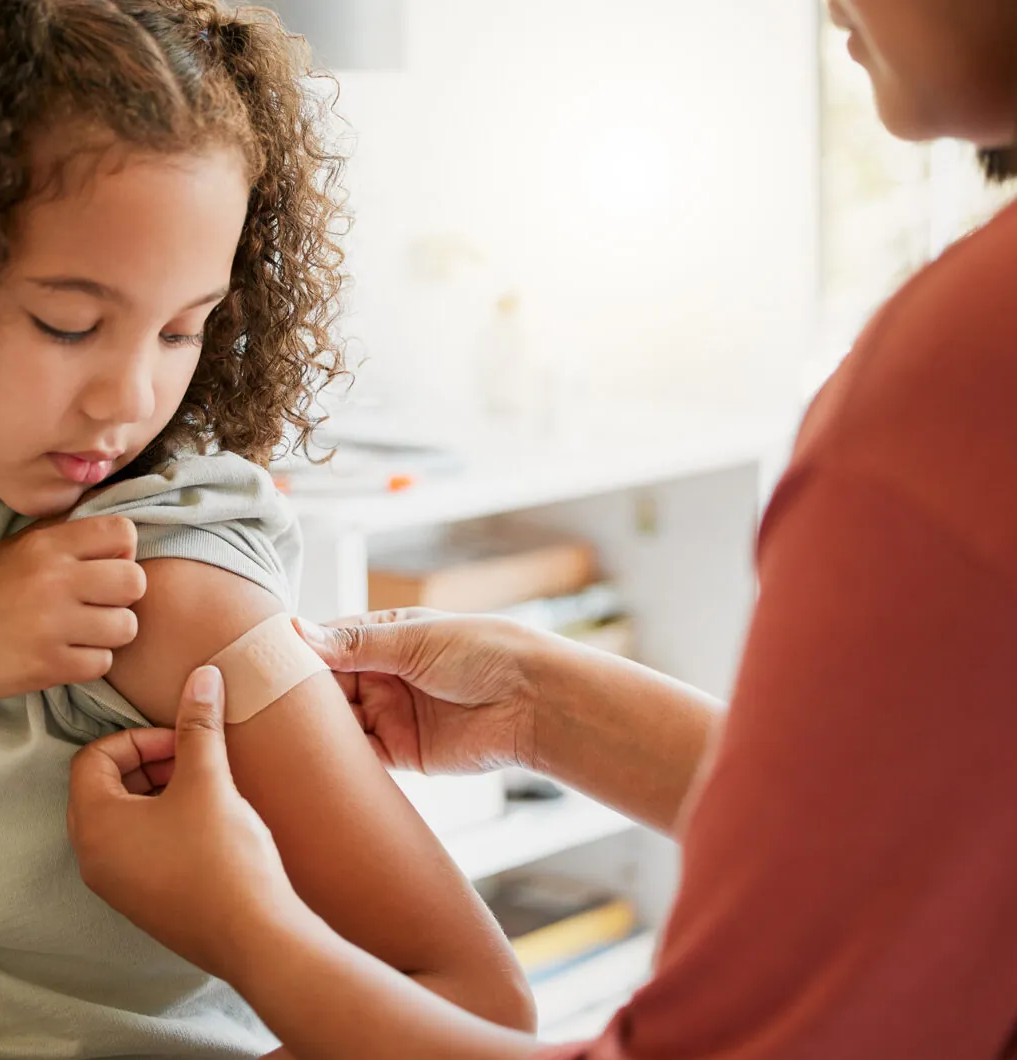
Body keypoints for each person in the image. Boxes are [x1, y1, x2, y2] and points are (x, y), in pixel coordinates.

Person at [67, 0, 1017, 1056]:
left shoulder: (964, 381)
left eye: (184, 327)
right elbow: (916, 848)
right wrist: (537, 701)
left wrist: (252, 929)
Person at [0, 2, 536, 1057]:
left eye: (182, 329)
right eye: (69, 323)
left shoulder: (159, 579)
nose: (127, 398)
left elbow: (478, 1004)